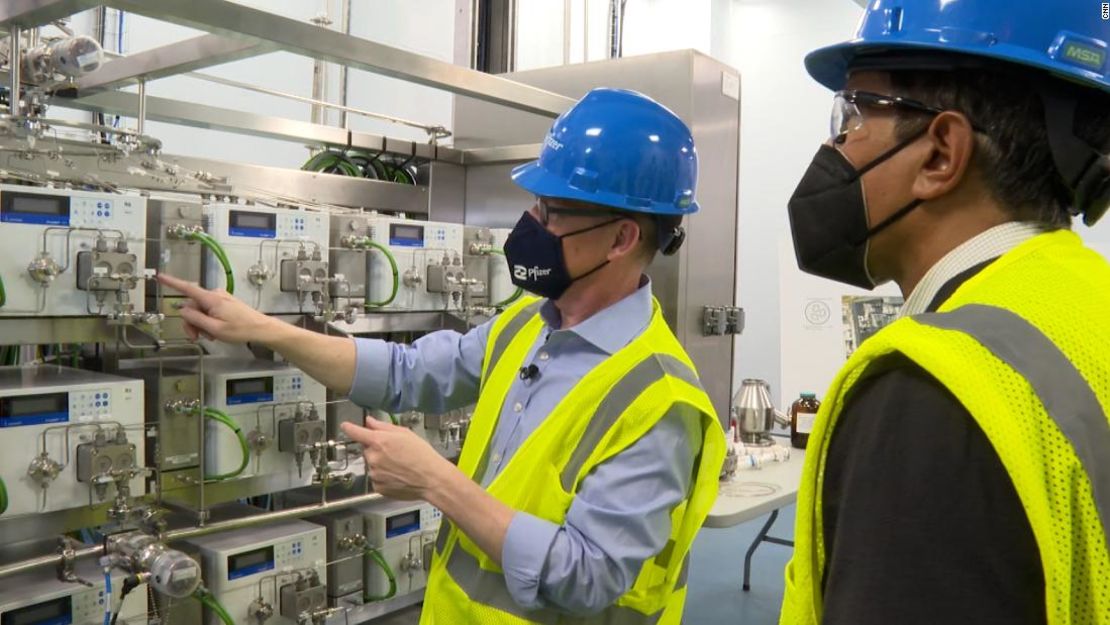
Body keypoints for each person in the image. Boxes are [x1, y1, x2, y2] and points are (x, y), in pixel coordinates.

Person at [159, 87, 725, 624]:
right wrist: (265, 328)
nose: (532, 224)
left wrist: (435, 481)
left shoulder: (660, 400)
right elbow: (408, 374)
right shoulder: (527, 326)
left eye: (551, 212)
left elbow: (587, 576)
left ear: (622, 239)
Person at [778, 2, 1110, 624]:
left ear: (940, 153)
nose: (833, 145)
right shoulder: (1088, 300)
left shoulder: (931, 390)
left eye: (852, 113)